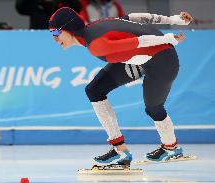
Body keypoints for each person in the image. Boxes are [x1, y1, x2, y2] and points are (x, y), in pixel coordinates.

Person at [49, 7, 193, 166]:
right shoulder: (98, 25)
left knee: (154, 107)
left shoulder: (97, 45)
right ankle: (120, 150)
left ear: (68, 29)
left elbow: (139, 41)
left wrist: (168, 39)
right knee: (94, 90)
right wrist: (174, 20)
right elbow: (136, 17)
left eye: (55, 33)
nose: (54, 39)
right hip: (141, 58)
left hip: (163, 61)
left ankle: (171, 147)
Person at [15, 0, 82, 29]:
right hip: (38, 39)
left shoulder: (63, 2)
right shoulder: (34, 3)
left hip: (60, 38)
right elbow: (20, 8)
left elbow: (77, 8)